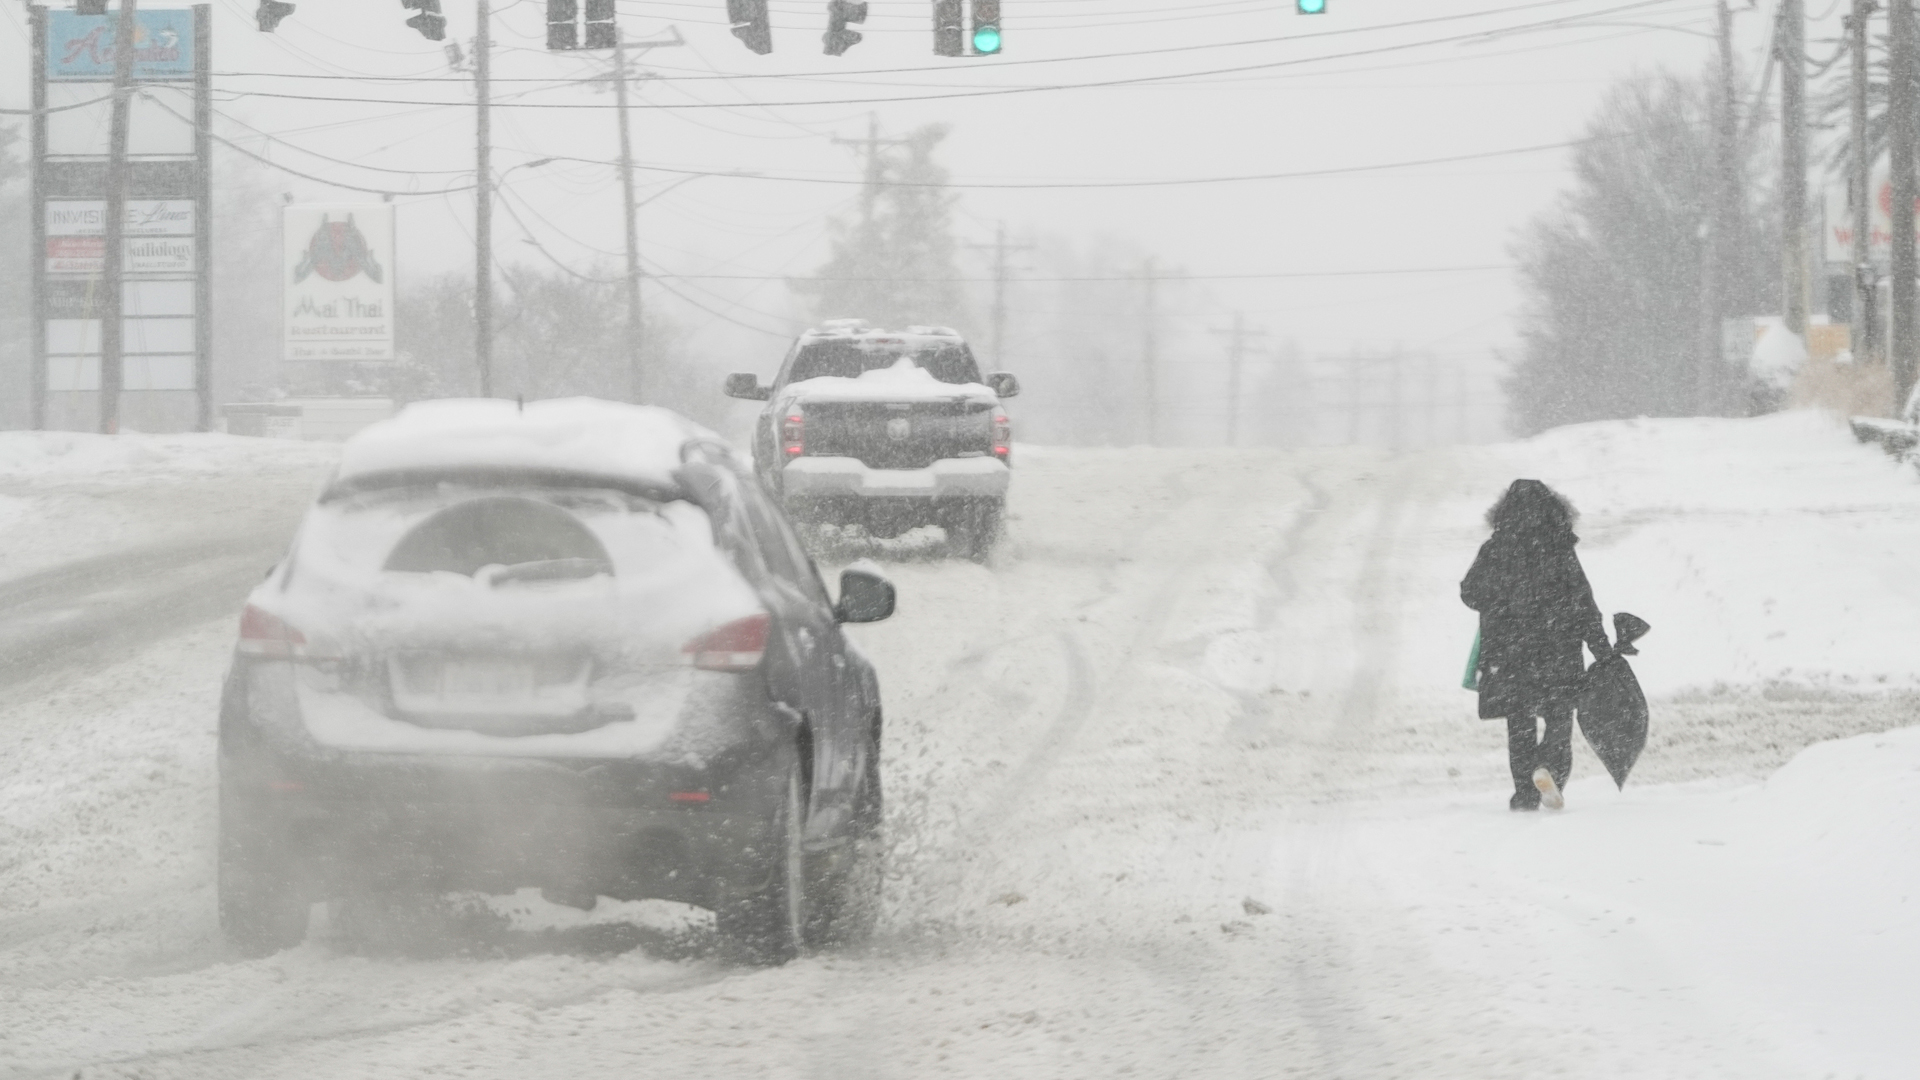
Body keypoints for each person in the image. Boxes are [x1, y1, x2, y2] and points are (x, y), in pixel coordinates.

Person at [1460, 479, 1612, 811]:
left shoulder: (1495, 548)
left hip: (1509, 652)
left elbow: (1470, 592)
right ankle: (1550, 768)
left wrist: (1502, 602)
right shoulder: (1559, 548)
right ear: (1552, 509)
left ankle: (1524, 793)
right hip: (1559, 648)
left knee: (1520, 723)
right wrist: (1601, 647)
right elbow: (1583, 602)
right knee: (1559, 717)